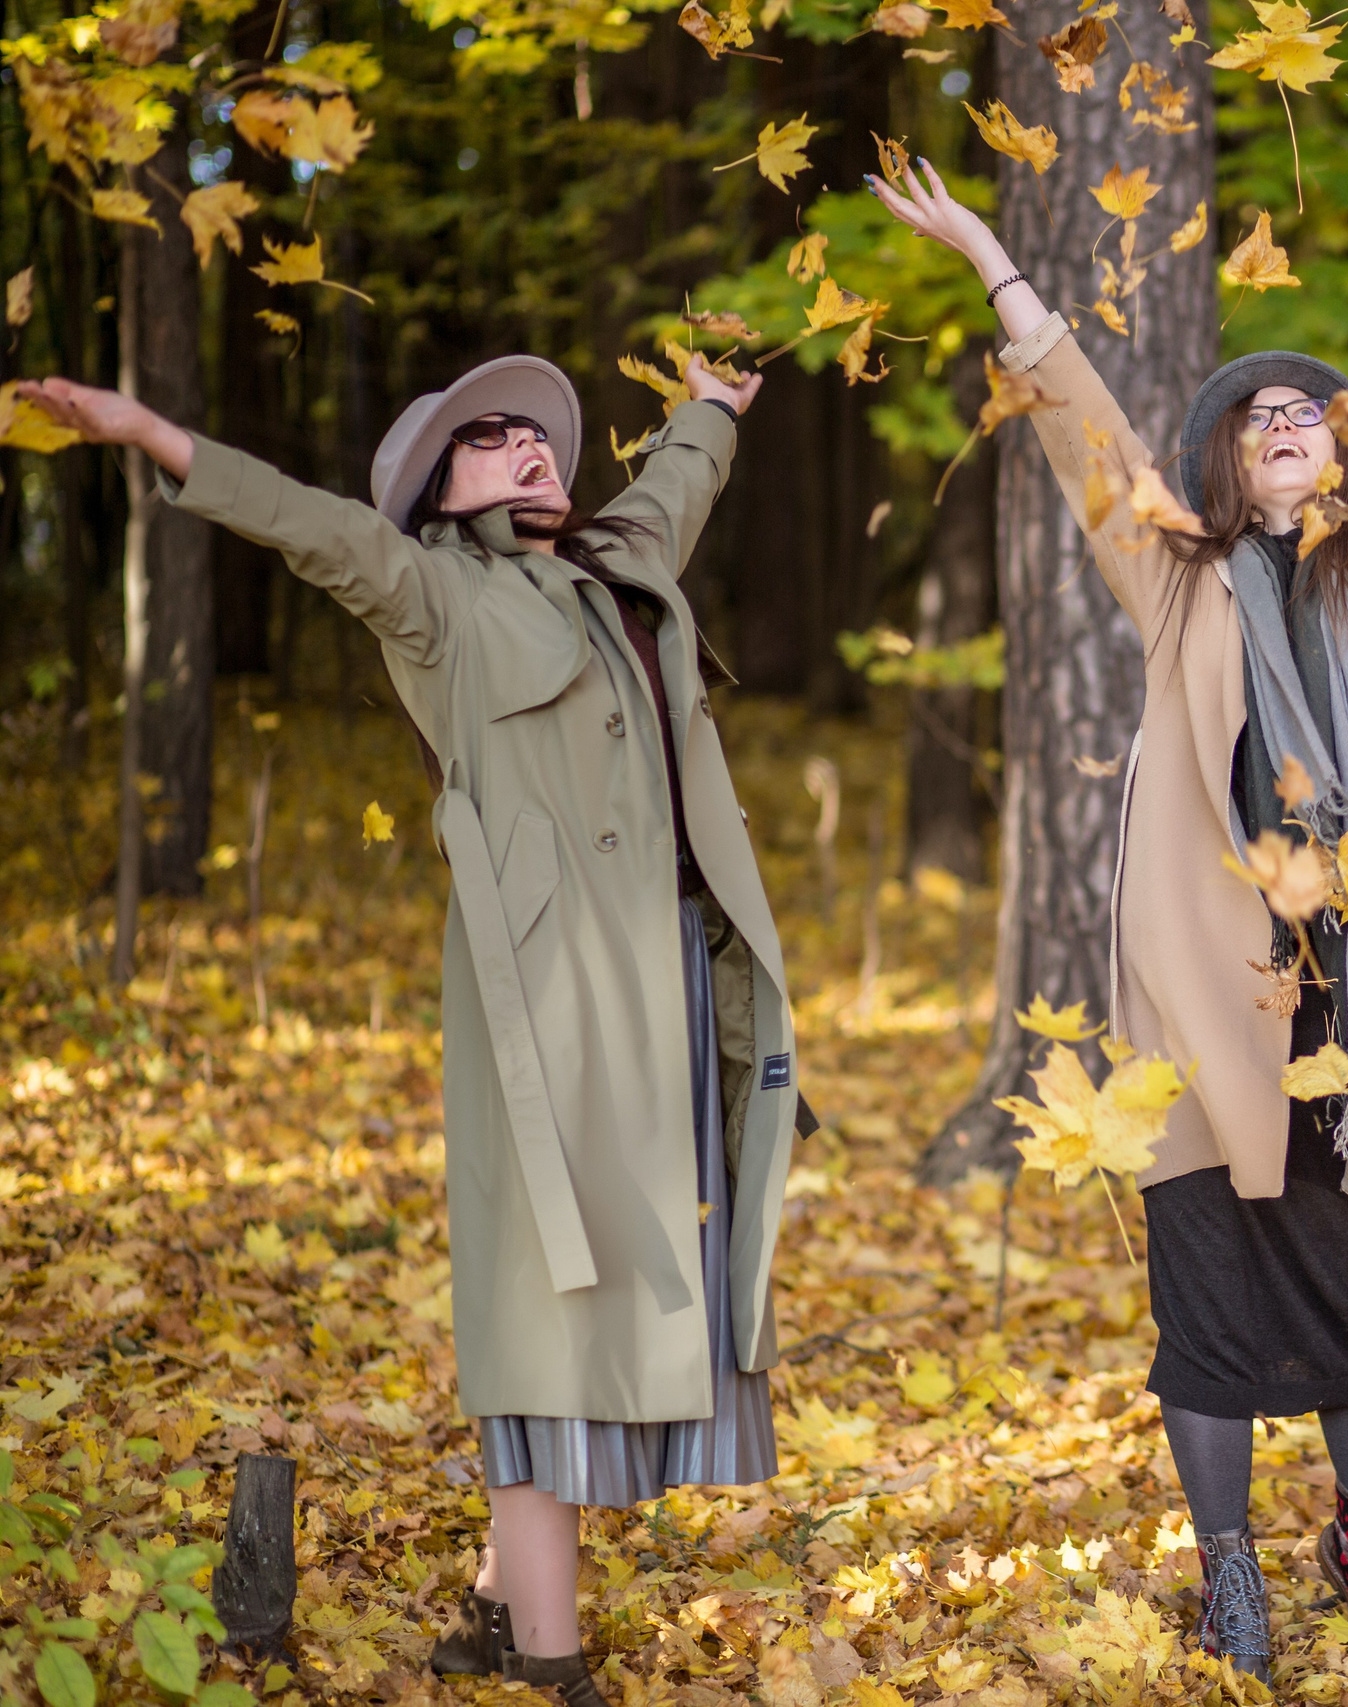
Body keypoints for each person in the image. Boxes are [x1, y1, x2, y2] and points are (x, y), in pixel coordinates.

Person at [872, 131, 1348, 1678]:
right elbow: (1081, 431)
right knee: (1204, 1276)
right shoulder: (1178, 578)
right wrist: (989, 267)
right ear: (1224, 464)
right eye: (1258, 417)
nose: (1288, 424)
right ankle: (1230, 1573)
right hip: (1212, 997)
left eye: (1308, 413)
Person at [27, 355, 804, 1707]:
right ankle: (550, 1663)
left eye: (536, 435)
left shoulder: (622, 559)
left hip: (677, 975)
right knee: (546, 1310)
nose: (525, 450)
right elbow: (309, 525)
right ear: (437, 492)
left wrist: (712, 408)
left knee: (652, 1300)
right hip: (550, 1002)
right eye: (487, 440)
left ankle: (490, 1606)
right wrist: (151, 430)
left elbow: (677, 481)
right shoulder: (434, 594)